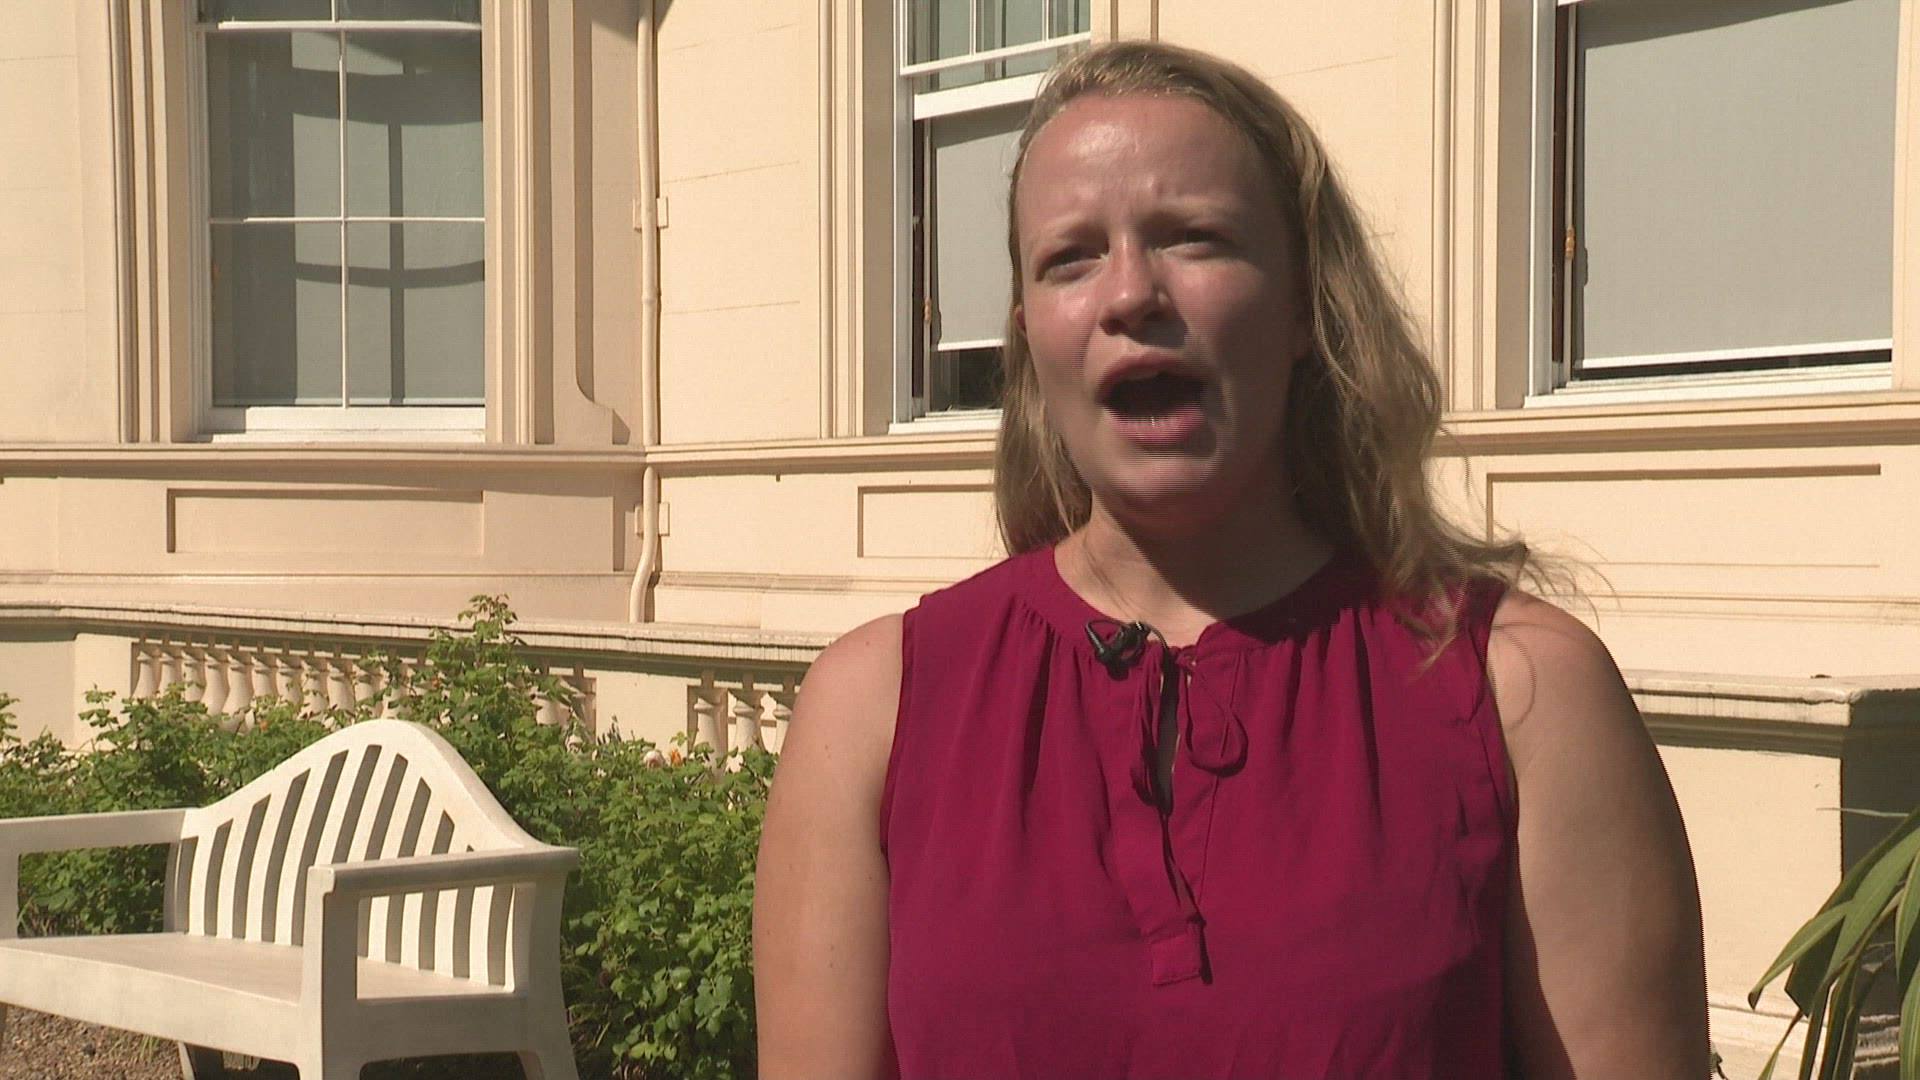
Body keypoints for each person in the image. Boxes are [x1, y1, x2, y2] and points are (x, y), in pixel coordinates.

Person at [754, 39, 1708, 1079]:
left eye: (1193, 239)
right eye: (1071, 257)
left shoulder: (1522, 693)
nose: (1130, 293)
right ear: (1028, 337)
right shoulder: (875, 708)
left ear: (1303, 305)